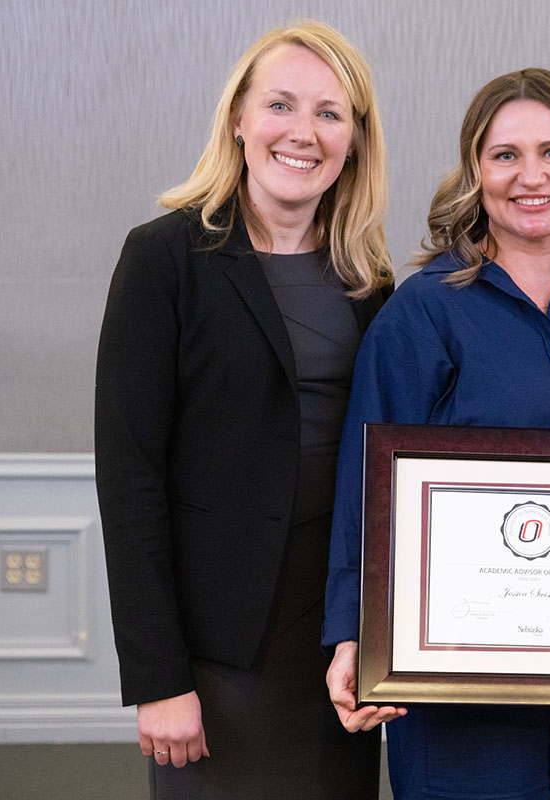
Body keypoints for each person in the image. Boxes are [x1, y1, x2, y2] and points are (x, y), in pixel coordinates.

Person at [322, 68, 550, 799]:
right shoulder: (421, 312)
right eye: (505, 155)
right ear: (474, 171)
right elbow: (368, 487)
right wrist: (354, 635)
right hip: (460, 694)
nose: (531, 176)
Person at [95, 21, 392, 799]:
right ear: (238, 119)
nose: (304, 132)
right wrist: (158, 678)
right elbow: (129, 480)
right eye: (281, 105)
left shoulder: (372, 282)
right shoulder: (163, 260)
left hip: (337, 641)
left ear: (355, 140)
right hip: (215, 652)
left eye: (330, 113)